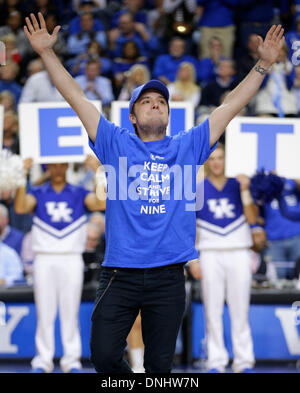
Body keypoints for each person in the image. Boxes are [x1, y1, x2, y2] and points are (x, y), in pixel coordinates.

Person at [23, 12, 285, 373]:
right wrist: (48, 54)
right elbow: (76, 97)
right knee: (103, 357)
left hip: (168, 275)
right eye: (146, 101)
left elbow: (231, 106)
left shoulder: (187, 145)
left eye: (160, 101)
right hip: (119, 272)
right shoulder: (114, 142)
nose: (155, 104)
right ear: (131, 115)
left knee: (160, 368)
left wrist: (262, 65)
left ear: (169, 113)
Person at [14, 160, 106, 373]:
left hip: (71, 257)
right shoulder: (37, 192)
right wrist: (22, 175)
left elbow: (101, 203)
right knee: (44, 312)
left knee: (70, 311)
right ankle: (42, 360)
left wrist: (98, 172)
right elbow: (19, 207)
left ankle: (71, 359)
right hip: (44, 258)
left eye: (61, 165)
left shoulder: (79, 192)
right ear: (47, 167)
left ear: (67, 166)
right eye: (53, 165)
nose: (57, 169)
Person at [195, 144, 257, 373]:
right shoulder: (197, 188)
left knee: (240, 309)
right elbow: (192, 227)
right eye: (213, 158)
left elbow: (253, 219)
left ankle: (244, 360)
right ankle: (216, 361)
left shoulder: (238, 184)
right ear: (207, 162)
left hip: (239, 249)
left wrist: (246, 191)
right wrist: (194, 260)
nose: (217, 162)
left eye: (221, 158)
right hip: (210, 252)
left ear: (227, 160)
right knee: (212, 309)